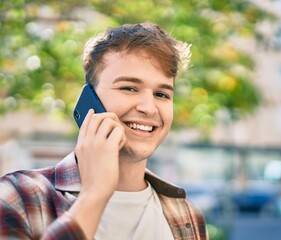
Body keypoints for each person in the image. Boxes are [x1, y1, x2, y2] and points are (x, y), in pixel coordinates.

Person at [0, 22, 207, 240]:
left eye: (162, 94)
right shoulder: (19, 196)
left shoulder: (187, 214)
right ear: (89, 100)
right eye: (129, 88)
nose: (148, 107)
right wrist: (94, 194)